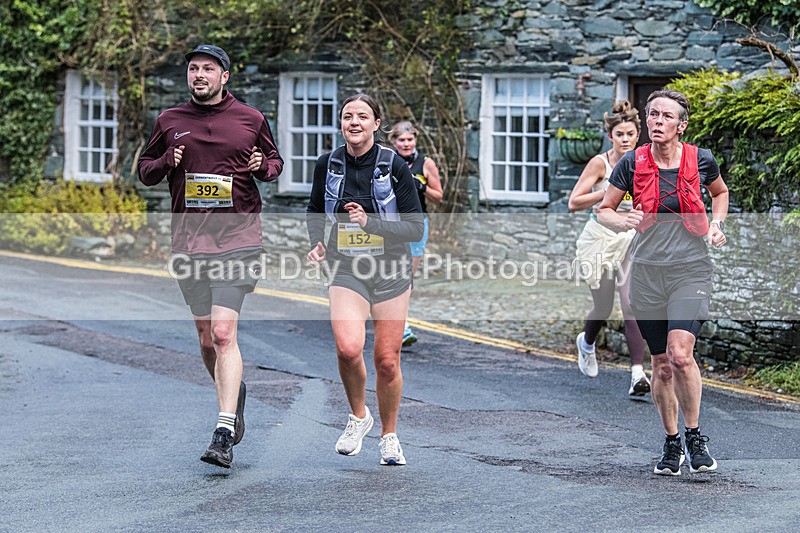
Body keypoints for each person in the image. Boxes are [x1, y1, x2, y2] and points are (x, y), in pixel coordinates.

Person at [138, 44, 283, 468]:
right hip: (189, 242)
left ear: (225, 76)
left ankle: (223, 431)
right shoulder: (170, 121)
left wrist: (261, 165)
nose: (199, 75)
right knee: (206, 338)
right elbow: (146, 171)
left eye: (208, 68)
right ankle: (233, 394)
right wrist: (167, 159)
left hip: (238, 238)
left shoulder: (251, 119)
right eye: (193, 69)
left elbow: (275, 165)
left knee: (223, 333)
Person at [597, 89, 729, 476]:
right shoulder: (631, 164)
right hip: (647, 272)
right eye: (651, 114)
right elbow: (604, 210)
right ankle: (671, 442)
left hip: (690, 270)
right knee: (660, 363)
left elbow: (720, 193)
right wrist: (622, 220)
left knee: (680, 354)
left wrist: (717, 224)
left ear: (681, 125)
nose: (656, 121)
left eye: (665, 116)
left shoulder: (701, 159)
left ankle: (694, 435)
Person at [306, 94, 424, 466]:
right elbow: (313, 210)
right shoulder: (328, 164)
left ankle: (389, 436)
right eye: (347, 116)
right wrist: (317, 244)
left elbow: (415, 226)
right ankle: (359, 417)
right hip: (346, 270)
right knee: (347, 347)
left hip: (390, 272)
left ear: (376, 124)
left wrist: (369, 222)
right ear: (341, 124)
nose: (354, 122)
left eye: (362, 116)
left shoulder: (394, 166)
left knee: (387, 360)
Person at [568, 100, 650, 399]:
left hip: (630, 238)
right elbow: (574, 202)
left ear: (637, 134)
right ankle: (587, 343)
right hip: (600, 237)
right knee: (603, 307)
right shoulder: (600, 164)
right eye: (619, 134)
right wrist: (608, 191)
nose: (625, 139)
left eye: (630, 133)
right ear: (610, 136)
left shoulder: (645, 161)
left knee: (631, 304)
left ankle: (638, 373)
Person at [387, 121, 443, 347]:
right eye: (401, 140)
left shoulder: (425, 163)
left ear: (415, 140)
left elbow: (438, 196)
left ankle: (402, 326)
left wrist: (421, 186)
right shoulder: (386, 161)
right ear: (394, 142)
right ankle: (391, 321)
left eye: (410, 139)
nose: (406, 144)